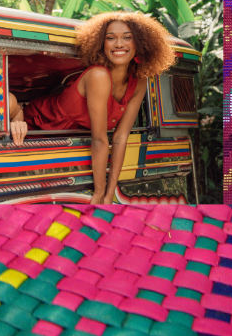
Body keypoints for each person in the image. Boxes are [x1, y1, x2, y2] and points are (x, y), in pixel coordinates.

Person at [23, 12, 176, 204]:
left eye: (127, 38)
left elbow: (121, 137)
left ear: (140, 44)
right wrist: (99, 192)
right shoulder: (98, 76)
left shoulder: (139, 81)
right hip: (40, 126)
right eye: (110, 38)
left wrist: (110, 192)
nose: (119, 44)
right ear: (101, 44)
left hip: (75, 136)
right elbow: (99, 138)